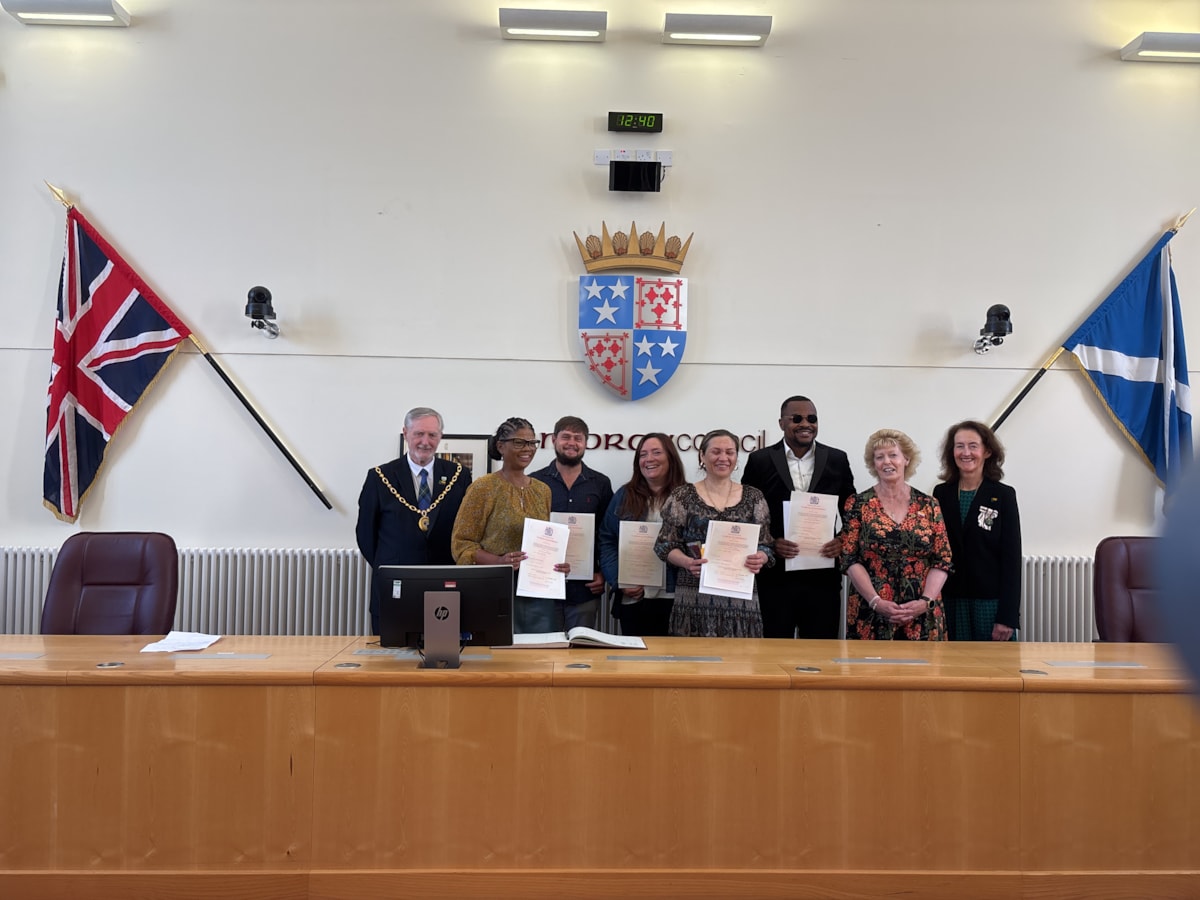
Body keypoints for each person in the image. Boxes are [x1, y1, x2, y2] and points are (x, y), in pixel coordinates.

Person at [742, 396, 856, 639]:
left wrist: (842, 540)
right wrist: (771, 542)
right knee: (774, 654)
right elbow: (746, 513)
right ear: (782, 423)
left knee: (820, 654)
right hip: (776, 576)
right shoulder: (759, 460)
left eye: (811, 418)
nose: (806, 423)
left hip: (822, 575)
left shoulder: (837, 458)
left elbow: (852, 510)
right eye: (797, 418)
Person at [355, 407, 472, 635]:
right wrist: (390, 564)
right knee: (393, 661)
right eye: (418, 434)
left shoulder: (459, 475)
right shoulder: (380, 477)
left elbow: (465, 527)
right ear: (406, 433)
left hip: (444, 583)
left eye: (432, 435)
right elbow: (365, 535)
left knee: (442, 658)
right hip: (395, 585)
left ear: (441, 437)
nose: (425, 442)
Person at [451, 417, 568, 633]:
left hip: (537, 595)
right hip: (494, 589)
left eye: (532, 443)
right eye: (519, 442)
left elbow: (545, 542)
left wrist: (557, 565)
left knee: (537, 660)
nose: (528, 449)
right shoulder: (483, 488)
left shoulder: (543, 490)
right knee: (497, 660)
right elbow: (462, 545)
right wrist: (499, 561)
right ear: (500, 446)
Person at [654, 429, 774, 637]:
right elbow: (664, 545)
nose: (723, 458)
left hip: (741, 605)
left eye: (730, 452)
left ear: (736, 457)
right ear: (702, 455)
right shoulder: (682, 496)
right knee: (692, 666)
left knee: (740, 666)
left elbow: (767, 545)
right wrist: (686, 562)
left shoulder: (755, 498)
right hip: (693, 601)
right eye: (716, 452)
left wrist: (761, 557)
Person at [842, 429, 952, 641]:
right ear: (873, 463)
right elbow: (849, 559)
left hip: (923, 612)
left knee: (924, 673)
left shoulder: (929, 505)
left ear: (906, 459)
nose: (886, 462)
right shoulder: (858, 504)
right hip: (871, 611)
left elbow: (943, 559)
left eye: (893, 455)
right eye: (879, 457)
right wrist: (876, 602)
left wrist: (925, 601)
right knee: (871, 673)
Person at [932, 420, 1022, 641]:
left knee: (995, 671)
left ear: (987, 451)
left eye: (973, 446)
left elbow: (1011, 560)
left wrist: (1007, 616)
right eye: (959, 446)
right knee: (955, 669)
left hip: (990, 603)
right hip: (951, 599)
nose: (966, 452)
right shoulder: (940, 494)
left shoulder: (1003, 496)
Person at [598, 433, 688, 636]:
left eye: (656, 452)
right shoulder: (624, 495)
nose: (648, 459)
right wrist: (619, 581)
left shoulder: (687, 497)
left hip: (675, 597)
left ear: (670, 457)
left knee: (673, 663)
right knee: (635, 663)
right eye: (643, 454)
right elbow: (607, 540)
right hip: (635, 596)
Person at [530, 416, 613, 631]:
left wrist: (604, 573)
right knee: (544, 655)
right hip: (542, 586)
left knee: (581, 654)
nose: (572, 443)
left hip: (585, 589)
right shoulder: (533, 482)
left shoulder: (601, 483)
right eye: (566, 437)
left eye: (578, 438)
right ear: (554, 440)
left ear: (586, 443)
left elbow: (607, 535)